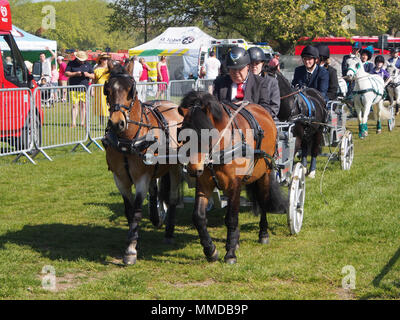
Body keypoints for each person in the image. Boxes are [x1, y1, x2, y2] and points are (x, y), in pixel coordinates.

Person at [213, 46, 280, 121]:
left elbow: (265, 109)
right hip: (227, 126)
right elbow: (214, 107)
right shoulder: (220, 83)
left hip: (251, 127)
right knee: (205, 132)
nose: (236, 73)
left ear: (247, 67)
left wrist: (245, 111)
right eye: (233, 70)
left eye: (240, 69)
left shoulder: (260, 83)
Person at [65, 51, 95, 128]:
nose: (82, 61)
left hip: (85, 88)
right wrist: (75, 74)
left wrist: (87, 74)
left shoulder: (88, 64)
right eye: (81, 59)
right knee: (74, 105)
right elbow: (66, 73)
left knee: (83, 105)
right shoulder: (71, 63)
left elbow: (93, 76)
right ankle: (73, 123)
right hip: (74, 88)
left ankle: (82, 123)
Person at [93, 53, 112, 124]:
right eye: (104, 59)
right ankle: (101, 122)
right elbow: (93, 81)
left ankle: (110, 121)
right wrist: (93, 90)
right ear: (100, 60)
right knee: (100, 105)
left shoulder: (110, 69)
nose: (106, 60)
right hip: (99, 90)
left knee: (109, 104)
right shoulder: (96, 69)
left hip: (108, 88)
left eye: (107, 59)